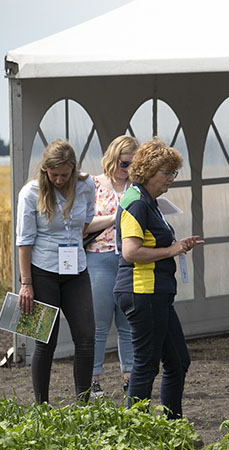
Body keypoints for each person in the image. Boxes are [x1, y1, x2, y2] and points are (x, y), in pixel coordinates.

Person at [114, 138, 203, 419]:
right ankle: (136, 430)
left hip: (158, 293)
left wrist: (177, 246)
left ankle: (172, 425)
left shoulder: (150, 202)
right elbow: (130, 252)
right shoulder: (137, 202)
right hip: (143, 291)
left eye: (173, 172)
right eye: (167, 173)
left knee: (178, 361)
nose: (171, 179)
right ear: (148, 171)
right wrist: (173, 249)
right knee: (146, 364)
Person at [15, 139, 97, 404]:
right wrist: (26, 283)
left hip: (76, 270)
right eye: (54, 175)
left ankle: (84, 404)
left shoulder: (86, 185)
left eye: (65, 174)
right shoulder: (30, 192)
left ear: (74, 169)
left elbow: (85, 224)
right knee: (44, 340)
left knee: (85, 337)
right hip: (42, 271)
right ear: (45, 170)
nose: (59, 180)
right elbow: (24, 241)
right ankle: (42, 407)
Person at [86, 135, 139, 398]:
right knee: (99, 323)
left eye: (131, 164)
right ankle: (93, 379)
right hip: (99, 256)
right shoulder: (93, 184)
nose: (126, 168)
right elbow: (84, 224)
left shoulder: (137, 187)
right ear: (112, 158)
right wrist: (114, 217)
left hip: (128, 259)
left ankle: (130, 376)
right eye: (123, 163)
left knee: (128, 321)